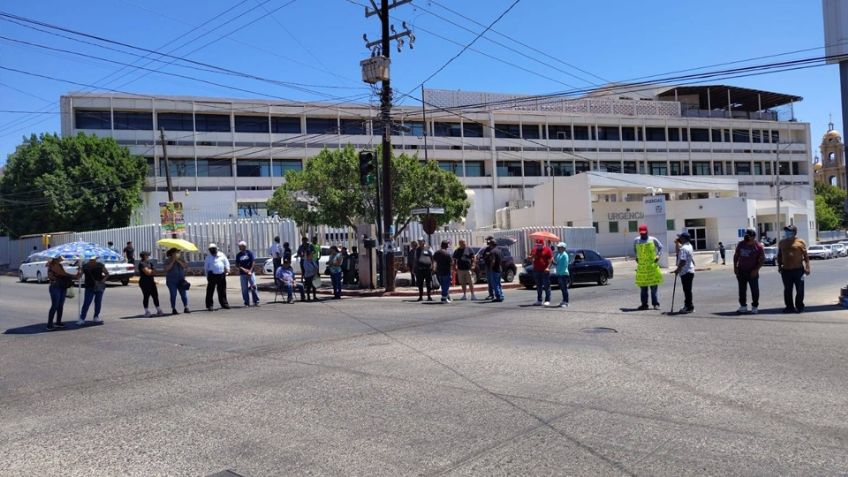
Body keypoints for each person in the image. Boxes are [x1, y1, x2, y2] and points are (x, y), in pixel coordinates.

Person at [776, 224, 810, 313]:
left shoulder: (800, 242)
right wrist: (779, 266)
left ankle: (799, 306)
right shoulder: (782, 243)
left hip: (798, 270)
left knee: (800, 289)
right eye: (786, 231)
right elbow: (779, 256)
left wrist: (807, 267)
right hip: (786, 270)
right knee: (787, 290)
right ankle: (789, 307)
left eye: (789, 231)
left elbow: (806, 256)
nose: (787, 233)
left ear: (794, 232)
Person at [733, 229, 764, 314]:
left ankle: (755, 306)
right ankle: (743, 306)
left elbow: (762, 260)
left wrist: (756, 270)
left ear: (753, 237)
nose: (746, 237)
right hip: (741, 271)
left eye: (749, 236)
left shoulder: (758, 247)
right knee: (742, 290)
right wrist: (735, 267)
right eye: (746, 235)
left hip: (752, 272)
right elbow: (736, 256)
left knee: (755, 290)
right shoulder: (741, 244)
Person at [633, 224, 664, 310]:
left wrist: (658, 256)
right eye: (641, 233)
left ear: (647, 231)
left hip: (652, 267)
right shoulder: (636, 240)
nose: (643, 234)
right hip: (642, 268)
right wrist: (636, 257)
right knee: (643, 288)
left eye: (644, 233)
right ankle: (644, 304)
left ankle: (655, 304)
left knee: (654, 287)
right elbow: (635, 250)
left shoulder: (653, 239)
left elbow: (661, 247)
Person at [46, 256, 78, 330]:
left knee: (60, 305)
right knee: (55, 305)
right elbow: (63, 274)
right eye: (60, 257)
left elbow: (64, 274)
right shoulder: (52, 265)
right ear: (56, 258)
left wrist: (75, 275)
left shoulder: (59, 265)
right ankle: (49, 324)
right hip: (55, 286)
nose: (62, 259)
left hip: (62, 286)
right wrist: (74, 276)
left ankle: (58, 322)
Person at [77, 256, 109, 326]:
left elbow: (107, 273)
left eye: (94, 258)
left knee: (98, 302)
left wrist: (102, 281)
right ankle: (82, 318)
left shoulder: (100, 265)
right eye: (91, 258)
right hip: (89, 287)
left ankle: (96, 316)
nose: (93, 259)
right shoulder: (85, 266)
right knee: (86, 303)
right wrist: (79, 270)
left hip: (99, 287)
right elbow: (79, 276)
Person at [672, 231, 696, 314]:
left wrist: (677, 270)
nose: (679, 238)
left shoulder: (684, 248)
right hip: (690, 270)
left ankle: (689, 307)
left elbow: (682, 261)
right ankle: (689, 305)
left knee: (687, 290)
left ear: (684, 238)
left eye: (681, 237)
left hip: (685, 271)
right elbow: (679, 252)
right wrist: (677, 243)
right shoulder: (689, 246)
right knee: (688, 290)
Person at [204, 243, 230, 311]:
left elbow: (226, 263)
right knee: (210, 291)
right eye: (210, 249)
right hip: (212, 275)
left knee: (222, 290)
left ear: (216, 249)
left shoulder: (222, 255)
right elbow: (206, 268)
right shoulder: (208, 257)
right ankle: (209, 305)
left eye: (213, 249)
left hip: (221, 274)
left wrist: (227, 271)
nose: (212, 250)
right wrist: (207, 276)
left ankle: (224, 303)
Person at [164, 248, 190, 315]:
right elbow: (167, 269)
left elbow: (185, 266)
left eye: (178, 252)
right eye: (176, 252)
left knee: (183, 294)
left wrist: (178, 260)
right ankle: (173, 308)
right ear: (172, 253)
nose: (178, 254)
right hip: (171, 281)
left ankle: (186, 307)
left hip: (181, 280)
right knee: (173, 294)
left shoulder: (181, 259)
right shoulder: (167, 260)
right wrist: (173, 261)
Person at [138, 251, 164, 317]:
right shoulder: (142, 263)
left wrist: (151, 271)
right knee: (146, 296)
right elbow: (147, 272)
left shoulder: (150, 263)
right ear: (144, 256)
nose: (148, 256)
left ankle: (158, 310)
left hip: (151, 281)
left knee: (155, 295)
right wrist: (151, 271)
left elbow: (154, 271)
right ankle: (146, 311)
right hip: (144, 282)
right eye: (147, 255)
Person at [528, 238, 553, 306]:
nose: (538, 246)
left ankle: (547, 300)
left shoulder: (547, 250)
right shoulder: (534, 250)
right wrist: (530, 257)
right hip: (536, 270)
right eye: (537, 245)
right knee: (538, 286)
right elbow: (530, 258)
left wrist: (548, 268)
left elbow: (551, 259)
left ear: (543, 244)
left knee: (546, 285)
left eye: (539, 245)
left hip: (545, 271)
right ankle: (539, 300)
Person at [236, 241, 260, 307]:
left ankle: (256, 301)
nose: (239, 247)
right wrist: (244, 269)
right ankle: (246, 302)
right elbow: (237, 264)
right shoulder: (238, 255)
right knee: (244, 289)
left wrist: (250, 271)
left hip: (251, 273)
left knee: (254, 286)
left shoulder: (249, 253)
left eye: (240, 246)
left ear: (244, 246)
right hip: (243, 274)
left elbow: (253, 262)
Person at [482, 236, 504, 302]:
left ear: (491, 243)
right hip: (499, 268)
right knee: (498, 283)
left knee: (495, 283)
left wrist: (491, 268)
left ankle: (498, 297)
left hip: (494, 269)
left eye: (488, 241)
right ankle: (501, 295)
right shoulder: (499, 250)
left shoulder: (492, 251)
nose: (487, 242)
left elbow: (493, 261)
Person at [554, 242, 570, 308]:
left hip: (563, 273)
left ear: (563, 248)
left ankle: (566, 302)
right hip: (559, 274)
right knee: (562, 289)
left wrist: (560, 271)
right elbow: (557, 263)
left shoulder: (565, 255)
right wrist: (553, 260)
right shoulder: (558, 254)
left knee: (564, 288)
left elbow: (565, 265)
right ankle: (564, 300)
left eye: (560, 247)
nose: (558, 248)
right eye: (558, 247)